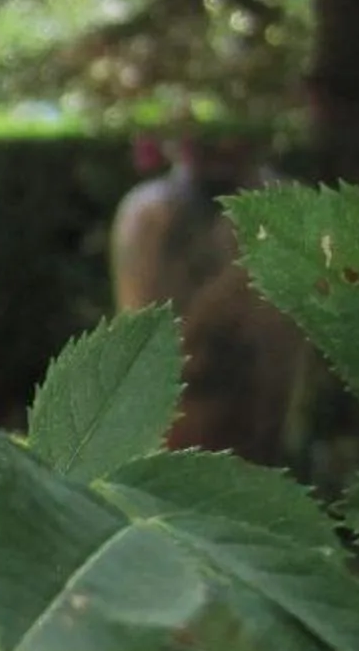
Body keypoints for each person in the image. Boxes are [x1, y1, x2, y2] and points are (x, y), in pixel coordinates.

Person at [109, 129, 306, 464]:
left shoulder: (284, 204)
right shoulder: (151, 215)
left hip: (266, 439)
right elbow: (157, 356)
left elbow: (288, 349)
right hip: (189, 441)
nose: (224, 145)